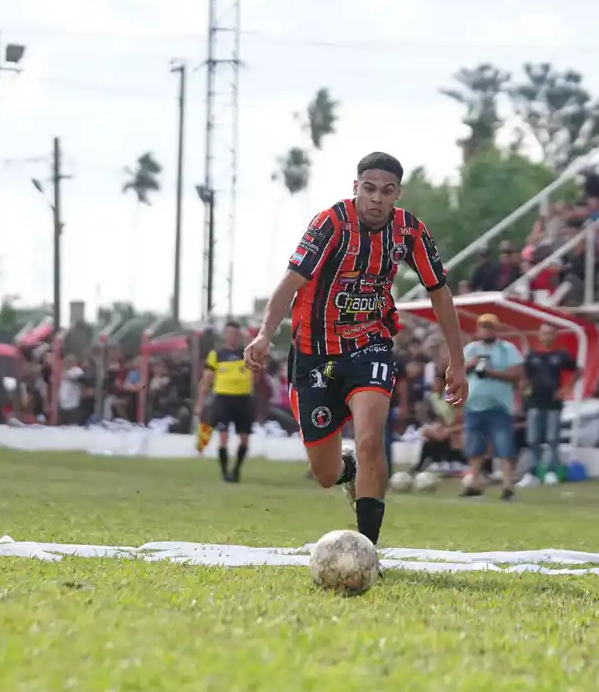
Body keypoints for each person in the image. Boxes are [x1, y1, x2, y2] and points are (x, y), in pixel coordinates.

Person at [245, 151, 469, 548]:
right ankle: (348, 473)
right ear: (356, 189)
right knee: (325, 473)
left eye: (386, 191)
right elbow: (290, 283)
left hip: (371, 345)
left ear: (397, 194)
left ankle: (368, 549)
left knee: (370, 439)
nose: (376, 199)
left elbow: (440, 294)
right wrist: (265, 334)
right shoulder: (330, 224)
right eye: (369, 189)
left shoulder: (410, 232)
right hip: (315, 353)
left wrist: (458, 360)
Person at [461, 313, 524, 500]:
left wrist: (492, 373)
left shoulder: (507, 349)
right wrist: (471, 366)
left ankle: (507, 485)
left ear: (497, 330)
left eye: (490, 327)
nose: (486, 330)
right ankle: (474, 482)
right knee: (474, 448)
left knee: (504, 446)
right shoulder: (471, 349)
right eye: (483, 327)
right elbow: (456, 371)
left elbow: (516, 374)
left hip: (499, 405)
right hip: (474, 404)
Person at [196, 320, 256, 483]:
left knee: (244, 438)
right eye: (229, 333)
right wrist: (200, 402)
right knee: (223, 435)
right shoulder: (216, 354)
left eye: (235, 333)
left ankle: (236, 469)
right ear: (224, 334)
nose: (232, 336)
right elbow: (206, 380)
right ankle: (224, 472)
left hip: (243, 399)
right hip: (223, 398)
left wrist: (249, 340)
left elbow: (258, 359)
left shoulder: (247, 352)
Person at [523, 321, 581, 484]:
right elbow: (524, 376)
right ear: (539, 335)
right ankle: (532, 473)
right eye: (544, 333)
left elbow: (577, 371)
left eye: (550, 333)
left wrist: (567, 388)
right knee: (533, 439)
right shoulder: (532, 355)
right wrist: (524, 389)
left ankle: (550, 471)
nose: (547, 336)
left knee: (552, 439)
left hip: (553, 402)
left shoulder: (561, 355)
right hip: (534, 401)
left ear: (555, 336)